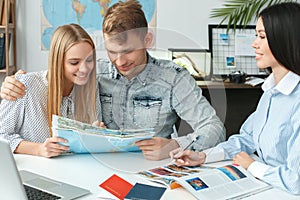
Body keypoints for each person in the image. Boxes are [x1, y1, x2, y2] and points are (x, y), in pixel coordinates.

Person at [0, 0, 225, 160]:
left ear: (147, 39)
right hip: (98, 168)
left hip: (150, 168)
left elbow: (214, 128)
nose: (119, 61)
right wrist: (15, 83)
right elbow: (62, 73)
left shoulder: (174, 78)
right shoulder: (94, 74)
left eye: (128, 51)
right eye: (111, 51)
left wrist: (175, 145)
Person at [170, 2, 300, 194]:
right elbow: (246, 139)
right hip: (264, 185)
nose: (254, 43)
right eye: (257, 35)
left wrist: (252, 166)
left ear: (285, 39)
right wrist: (203, 156)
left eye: (262, 36)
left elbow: (295, 180)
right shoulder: (271, 92)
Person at [0, 24, 100, 158]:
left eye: (89, 60)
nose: (84, 69)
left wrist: (97, 136)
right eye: (74, 63)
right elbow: (2, 135)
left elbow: (90, 137)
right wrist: (39, 149)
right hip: (33, 172)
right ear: (58, 61)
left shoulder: (92, 87)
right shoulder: (25, 85)